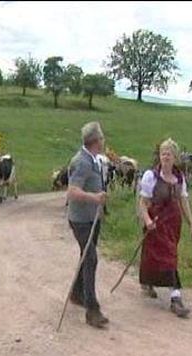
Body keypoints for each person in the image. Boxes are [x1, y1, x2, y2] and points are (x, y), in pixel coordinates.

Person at [137, 138, 192, 318]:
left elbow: (184, 201)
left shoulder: (179, 178)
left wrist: (191, 224)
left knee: (170, 256)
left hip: (172, 225)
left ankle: (157, 286)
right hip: (156, 224)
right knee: (156, 256)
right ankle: (175, 297)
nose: (165, 157)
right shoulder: (151, 176)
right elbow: (143, 202)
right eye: (163, 153)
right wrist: (147, 220)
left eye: (169, 153)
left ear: (175, 157)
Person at [66, 121, 109, 329]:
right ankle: (92, 310)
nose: (103, 141)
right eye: (101, 138)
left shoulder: (92, 159)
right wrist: (94, 198)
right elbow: (72, 191)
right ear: (95, 140)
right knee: (90, 258)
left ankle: (77, 293)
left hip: (92, 218)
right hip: (81, 219)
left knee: (86, 255)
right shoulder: (82, 162)